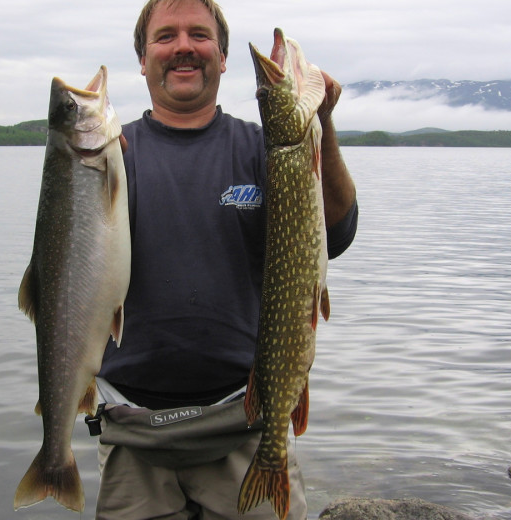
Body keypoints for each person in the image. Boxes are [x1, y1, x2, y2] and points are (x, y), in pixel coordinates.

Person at [93, 0, 358, 518]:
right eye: (165, 36)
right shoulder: (112, 156)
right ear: (143, 60)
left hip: (248, 420)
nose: (184, 47)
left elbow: (337, 231)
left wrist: (321, 123)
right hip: (134, 432)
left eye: (199, 34)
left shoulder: (265, 148)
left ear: (222, 55)